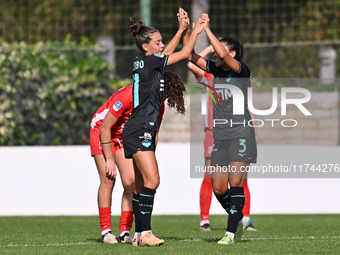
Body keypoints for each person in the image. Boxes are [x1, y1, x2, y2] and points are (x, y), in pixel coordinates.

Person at [122, 8, 204, 247]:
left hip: (137, 129)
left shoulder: (143, 61)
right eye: (157, 42)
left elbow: (167, 53)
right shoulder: (150, 62)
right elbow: (186, 53)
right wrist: (195, 30)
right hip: (140, 130)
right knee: (153, 180)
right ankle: (145, 232)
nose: (161, 45)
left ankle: (138, 235)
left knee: (140, 185)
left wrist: (180, 30)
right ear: (146, 46)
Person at [90, 71, 186, 244]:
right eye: (164, 95)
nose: (163, 99)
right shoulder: (129, 94)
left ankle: (125, 231)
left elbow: (153, 133)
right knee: (108, 178)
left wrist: (148, 157)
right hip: (101, 131)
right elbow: (105, 127)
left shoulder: (159, 105)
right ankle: (106, 231)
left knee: (130, 182)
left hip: (123, 136)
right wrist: (110, 159)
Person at [187, 13, 257, 245]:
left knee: (235, 183)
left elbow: (224, 54)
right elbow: (190, 56)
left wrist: (208, 30)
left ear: (234, 53)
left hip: (241, 134)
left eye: (221, 48)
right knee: (218, 187)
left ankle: (229, 234)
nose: (216, 51)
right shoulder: (215, 71)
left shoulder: (241, 70)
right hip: (221, 136)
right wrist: (191, 30)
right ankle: (238, 218)